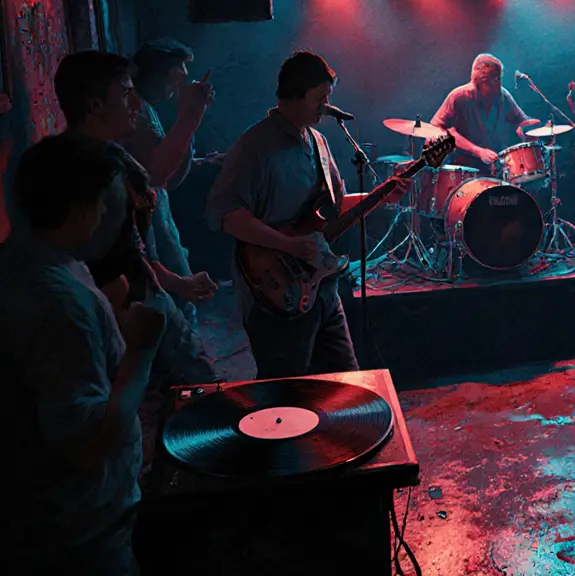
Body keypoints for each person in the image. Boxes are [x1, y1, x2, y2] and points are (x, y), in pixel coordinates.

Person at [0, 133, 166, 574]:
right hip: (72, 541)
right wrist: (141, 351)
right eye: (106, 204)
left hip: (58, 525)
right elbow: (87, 446)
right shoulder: (56, 300)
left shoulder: (38, 260)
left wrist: (110, 312)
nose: (107, 219)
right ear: (83, 207)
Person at [55, 50, 220, 474]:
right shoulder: (90, 169)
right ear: (95, 105)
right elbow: (109, 259)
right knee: (175, 399)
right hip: (131, 312)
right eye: (126, 95)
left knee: (179, 396)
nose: (137, 104)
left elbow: (129, 249)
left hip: (147, 298)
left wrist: (174, 284)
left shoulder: (111, 157)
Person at [208, 51, 410, 379]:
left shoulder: (318, 141)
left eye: (328, 97)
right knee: (286, 390)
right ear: (295, 95)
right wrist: (289, 246)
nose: (326, 106)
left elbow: (334, 208)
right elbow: (225, 214)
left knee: (346, 382)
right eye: (320, 98)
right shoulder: (255, 146)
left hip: (321, 285)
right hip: (275, 289)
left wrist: (384, 194)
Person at [121, 38, 218, 325]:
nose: (180, 86)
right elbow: (157, 175)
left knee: (180, 307)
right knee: (173, 311)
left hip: (157, 223)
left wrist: (191, 119)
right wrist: (190, 117)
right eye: (176, 76)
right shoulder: (133, 109)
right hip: (144, 230)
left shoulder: (146, 108)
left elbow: (171, 180)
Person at [431, 53, 540, 172]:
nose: (498, 85)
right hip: (464, 169)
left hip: (497, 166)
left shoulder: (502, 95)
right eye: (495, 80)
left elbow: (522, 122)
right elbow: (437, 128)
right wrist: (477, 151)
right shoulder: (458, 97)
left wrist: (529, 127)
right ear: (480, 82)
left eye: (499, 79)